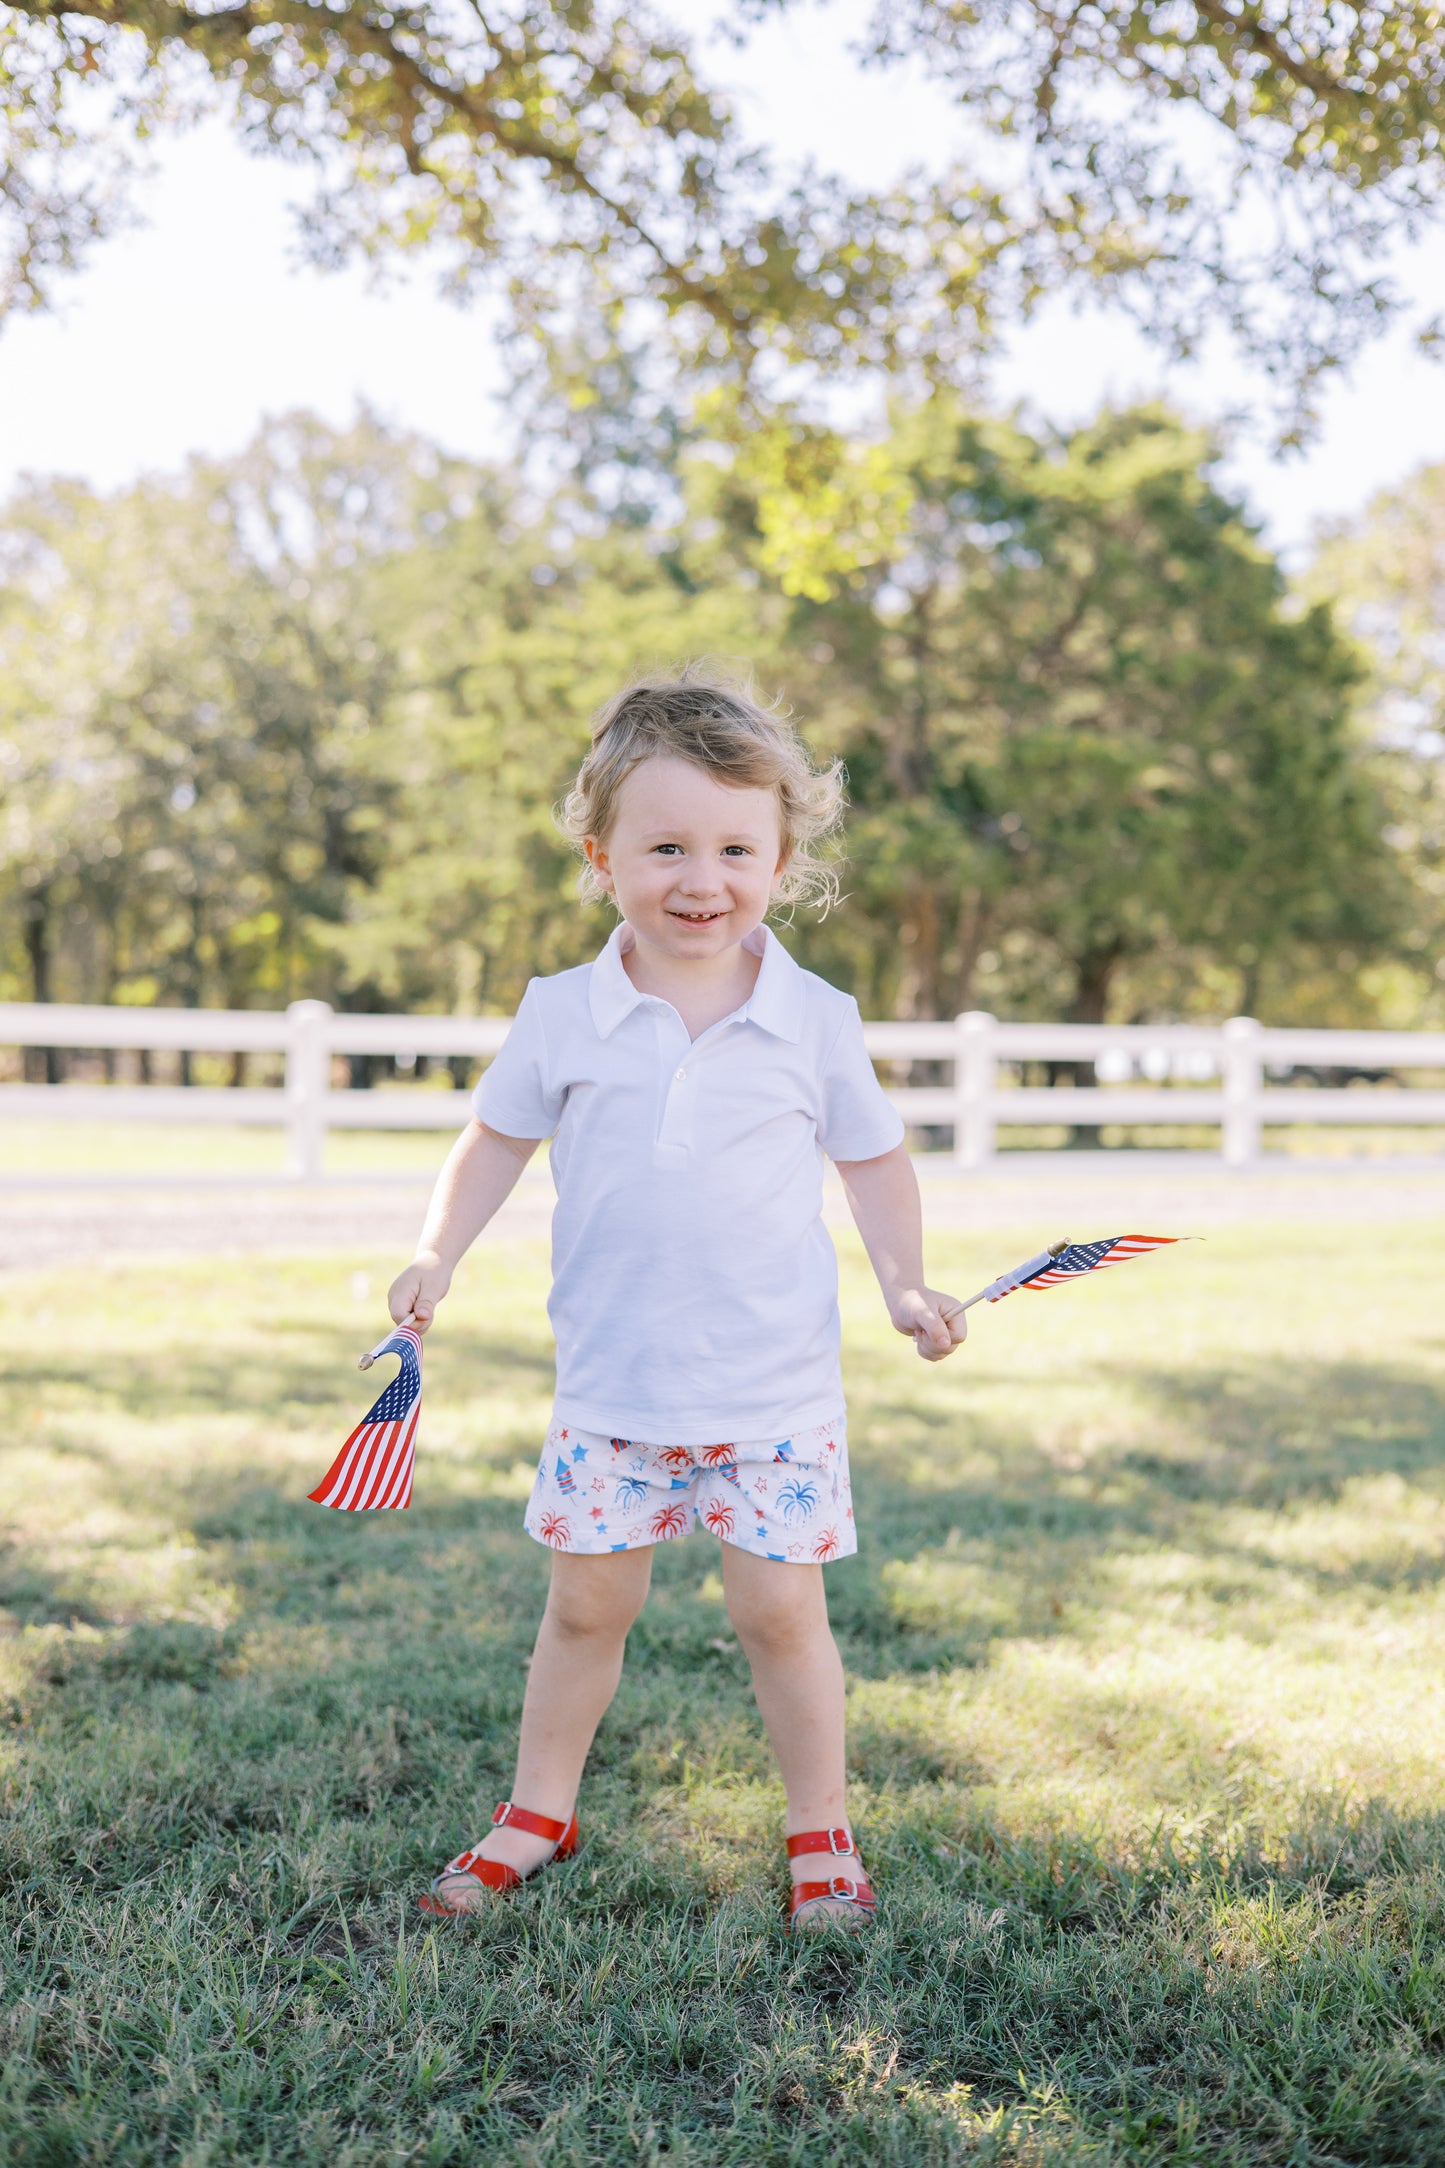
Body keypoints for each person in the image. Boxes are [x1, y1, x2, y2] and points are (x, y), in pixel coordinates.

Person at [388, 669, 969, 1929]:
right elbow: (490, 1139)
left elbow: (871, 1158)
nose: (699, 877)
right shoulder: (562, 1011)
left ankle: (820, 1825)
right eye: (664, 845)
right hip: (615, 1387)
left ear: (778, 859)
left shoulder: (814, 1018)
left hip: (771, 1392)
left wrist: (904, 1280)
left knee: (778, 1613)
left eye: (732, 847)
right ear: (602, 858)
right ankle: (538, 1806)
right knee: (587, 1603)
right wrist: (439, 1250)